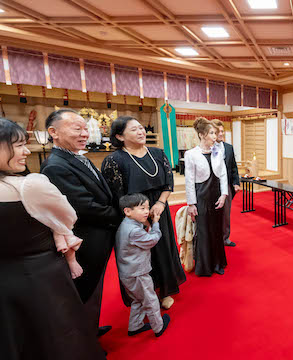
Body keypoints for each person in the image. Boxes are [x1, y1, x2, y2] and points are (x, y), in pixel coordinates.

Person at [0, 118, 105, 360]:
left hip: (5, 281)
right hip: (41, 276)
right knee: (58, 335)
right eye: (17, 145)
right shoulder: (29, 186)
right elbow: (67, 217)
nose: (26, 151)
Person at [41, 109, 120, 338]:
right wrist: (119, 215)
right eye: (77, 128)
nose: (85, 133)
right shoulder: (56, 165)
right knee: (82, 292)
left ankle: (90, 330)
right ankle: (83, 342)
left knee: (94, 289)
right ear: (53, 132)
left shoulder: (77, 157)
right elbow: (83, 207)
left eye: (85, 128)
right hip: (86, 238)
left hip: (98, 235)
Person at [101, 116, 186, 310]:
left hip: (158, 210)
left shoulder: (157, 153)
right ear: (120, 136)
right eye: (134, 129)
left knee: (163, 249)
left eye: (141, 128)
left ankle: (165, 289)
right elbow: (117, 196)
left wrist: (161, 204)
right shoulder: (114, 160)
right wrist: (139, 214)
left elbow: (168, 183)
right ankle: (143, 294)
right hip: (133, 216)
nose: (141, 132)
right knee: (141, 256)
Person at [115, 193, 171, 337]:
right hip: (137, 273)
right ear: (127, 211)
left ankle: (135, 326)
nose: (147, 211)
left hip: (128, 273)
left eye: (147, 207)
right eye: (142, 208)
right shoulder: (133, 230)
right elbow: (152, 240)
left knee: (138, 300)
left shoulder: (126, 224)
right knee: (150, 299)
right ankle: (158, 327)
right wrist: (156, 223)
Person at [185, 117, 228, 276]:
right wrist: (191, 203)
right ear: (202, 135)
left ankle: (217, 263)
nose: (215, 136)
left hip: (216, 194)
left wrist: (224, 195)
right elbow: (189, 180)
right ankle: (205, 265)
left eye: (215, 133)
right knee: (203, 230)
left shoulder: (218, 150)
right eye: (211, 133)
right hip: (201, 195)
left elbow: (223, 174)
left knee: (217, 229)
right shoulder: (191, 154)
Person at [211, 119, 241, 247]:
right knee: (212, 213)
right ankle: (212, 239)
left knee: (225, 214)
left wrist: (236, 182)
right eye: (219, 132)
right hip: (211, 186)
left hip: (227, 184)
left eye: (223, 131)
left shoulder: (229, 148)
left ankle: (225, 238)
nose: (221, 134)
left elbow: (233, 167)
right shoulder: (208, 148)